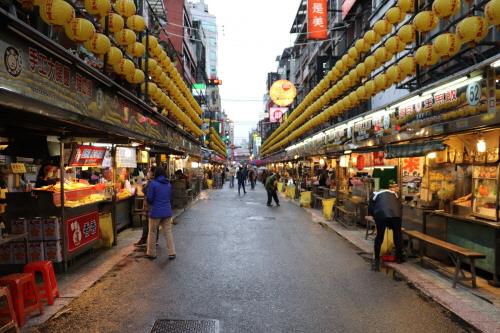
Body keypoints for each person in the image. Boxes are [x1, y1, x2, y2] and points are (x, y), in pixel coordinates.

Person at [368, 183, 403, 271]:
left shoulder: (375, 194)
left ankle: (376, 258)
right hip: (396, 215)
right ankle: (398, 258)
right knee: (397, 235)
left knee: (380, 236)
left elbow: (370, 208)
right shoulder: (394, 194)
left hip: (381, 215)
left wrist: (373, 215)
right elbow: (399, 206)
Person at [145, 167, 176, 260]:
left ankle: (151, 253)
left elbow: (149, 198)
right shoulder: (168, 184)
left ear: (156, 174)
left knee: (153, 232)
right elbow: (170, 197)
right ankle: (172, 252)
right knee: (168, 232)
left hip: (156, 212)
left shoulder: (153, 184)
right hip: (167, 211)